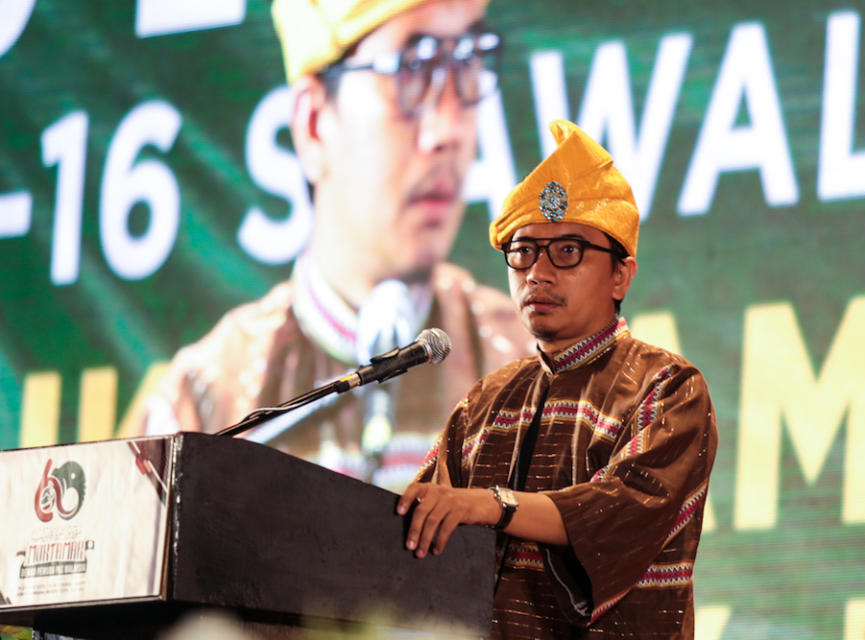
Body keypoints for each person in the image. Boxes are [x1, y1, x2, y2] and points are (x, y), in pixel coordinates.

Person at [129, 0, 532, 491]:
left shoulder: (535, 373)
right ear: (314, 124)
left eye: (468, 61)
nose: (449, 130)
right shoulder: (205, 403)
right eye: (412, 69)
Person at [397, 120, 718, 638]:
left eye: (567, 251)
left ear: (621, 275)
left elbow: (618, 512)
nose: (537, 274)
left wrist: (493, 505)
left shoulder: (668, 388)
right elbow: (423, 531)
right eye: (523, 252)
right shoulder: (484, 403)